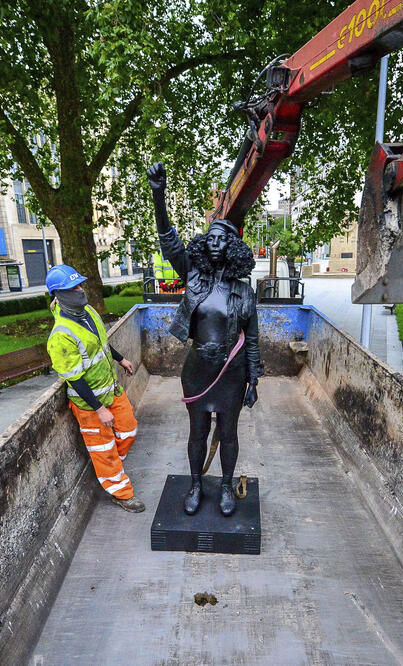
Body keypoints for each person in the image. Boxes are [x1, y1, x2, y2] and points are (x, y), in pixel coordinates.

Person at [147, 162, 263, 516]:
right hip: (198, 368)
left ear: (231, 248)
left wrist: (254, 379)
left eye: (221, 240)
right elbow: (169, 241)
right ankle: (196, 484)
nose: (214, 244)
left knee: (228, 432)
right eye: (209, 239)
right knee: (197, 431)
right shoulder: (193, 277)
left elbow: (253, 338)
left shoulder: (244, 292)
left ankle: (225, 487)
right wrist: (158, 194)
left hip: (232, 373)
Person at [45, 264, 145, 513]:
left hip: (111, 389)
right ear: (59, 294)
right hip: (90, 404)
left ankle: (111, 471)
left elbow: (101, 344)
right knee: (103, 450)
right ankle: (121, 493)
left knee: (129, 429)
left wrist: (120, 358)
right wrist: (99, 409)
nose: (80, 290)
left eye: (79, 284)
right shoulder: (60, 337)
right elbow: (75, 379)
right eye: (73, 287)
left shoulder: (87, 312)